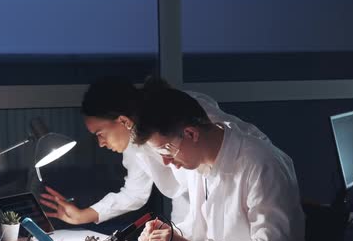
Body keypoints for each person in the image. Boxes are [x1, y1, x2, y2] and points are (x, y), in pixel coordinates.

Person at [134, 81, 312, 241]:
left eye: (166, 151)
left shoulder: (261, 163)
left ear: (190, 133)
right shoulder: (200, 164)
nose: (166, 162)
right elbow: (203, 228)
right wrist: (170, 235)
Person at [40, 76, 269, 226]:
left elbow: (237, 143)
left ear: (123, 120)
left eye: (100, 134)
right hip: (192, 216)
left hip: (239, 198)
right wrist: (83, 215)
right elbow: (135, 193)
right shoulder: (136, 142)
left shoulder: (182, 113)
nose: (100, 144)